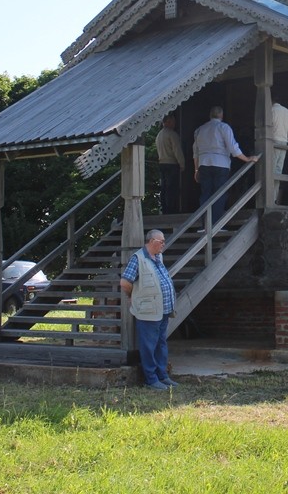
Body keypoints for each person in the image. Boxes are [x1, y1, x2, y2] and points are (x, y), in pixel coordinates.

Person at [119, 230, 178, 390]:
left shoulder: (158, 257)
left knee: (161, 344)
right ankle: (151, 379)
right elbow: (125, 282)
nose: (163, 244)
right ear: (152, 241)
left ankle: (162, 376)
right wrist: (133, 295)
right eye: (161, 241)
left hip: (163, 310)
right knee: (149, 346)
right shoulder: (138, 258)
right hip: (148, 311)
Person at [193, 105, 259, 226]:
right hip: (221, 164)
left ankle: (205, 225)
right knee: (219, 193)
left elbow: (195, 152)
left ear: (210, 115)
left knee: (205, 194)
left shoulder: (200, 130)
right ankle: (216, 224)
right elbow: (233, 148)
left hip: (204, 164)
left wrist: (196, 170)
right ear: (221, 115)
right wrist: (247, 159)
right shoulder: (224, 127)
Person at [155, 113, 185, 214]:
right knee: (172, 188)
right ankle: (172, 209)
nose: (174, 124)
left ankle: (164, 209)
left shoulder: (159, 135)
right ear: (168, 122)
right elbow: (177, 151)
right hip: (171, 164)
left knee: (164, 188)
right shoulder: (172, 134)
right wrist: (182, 164)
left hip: (162, 163)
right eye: (173, 121)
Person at [270, 98, 288, 204]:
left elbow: (268, 127)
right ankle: (274, 198)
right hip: (284, 142)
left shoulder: (271, 110)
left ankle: (269, 198)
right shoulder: (287, 112)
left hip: (273, 141)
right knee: (278, 171)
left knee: (270, 170)